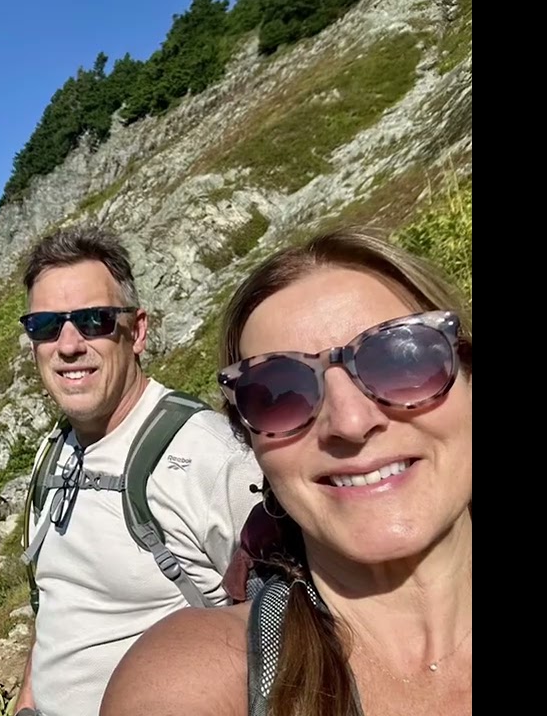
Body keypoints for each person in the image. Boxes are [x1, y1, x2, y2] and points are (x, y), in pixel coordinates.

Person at [100, 229, 472, 716]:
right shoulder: (202, 672)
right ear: (250, 442)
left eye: (401, 359)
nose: (351, 422)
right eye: (279, 394)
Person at [11, 226, 264, 716]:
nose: (68, 345)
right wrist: (27, 699)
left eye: (94, 320)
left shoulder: (210, 455)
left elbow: (295, 620)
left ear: (138, 330)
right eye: (44, 326)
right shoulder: (56, 449)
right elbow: (59, 601)